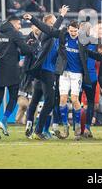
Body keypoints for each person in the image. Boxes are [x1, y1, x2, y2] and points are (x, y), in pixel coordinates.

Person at [0, 15, 35, 139]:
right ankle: (4, 120)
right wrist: (32, 47)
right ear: (13, 23)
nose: (20, 26)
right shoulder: (14, 33)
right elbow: (25, 50)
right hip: (12, 70)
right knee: (13, 98)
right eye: (19, 24)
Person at [23, 8, 68, 140]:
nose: (55, 24)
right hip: (45, 70)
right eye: (53, 22)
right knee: (49, 101)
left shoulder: (55, 37)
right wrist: (32, 18)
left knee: (43, 100)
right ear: (48, 24)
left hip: (49, 72)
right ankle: (38, 129)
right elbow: (50, 29)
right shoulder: (46, 34)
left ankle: (36, 128)